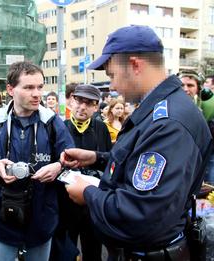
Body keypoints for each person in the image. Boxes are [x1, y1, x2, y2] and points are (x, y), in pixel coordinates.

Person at [61, 25, 213, 260]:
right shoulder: (162, 110)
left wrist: (88, 193)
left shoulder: (169, 122)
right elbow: (138, 164)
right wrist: (98, 158)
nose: (112, 86)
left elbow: (140, 213)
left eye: (112, 75)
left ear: (134, 65)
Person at [0, 61, 74, 261]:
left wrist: (58, 166)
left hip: (42, 217)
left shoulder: (52, 122)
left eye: (40, 87)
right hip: (3, 216)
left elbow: (72, 160)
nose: (37, 94)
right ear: (10, 90)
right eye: (29, 87)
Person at [62, 84, 112, 261]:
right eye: (79, 101)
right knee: (65, 252)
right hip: (66, 203)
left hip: (93, 203)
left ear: (96, 107)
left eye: (89, 103)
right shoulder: (61, 127)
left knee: (93, 252)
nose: (82, 107)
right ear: (71, 101)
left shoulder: (102, 129)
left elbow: (108, 162)